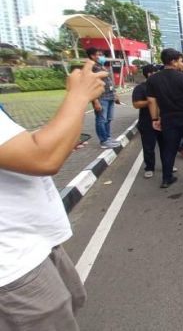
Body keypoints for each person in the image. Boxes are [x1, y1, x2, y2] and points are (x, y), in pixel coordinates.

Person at [0, 60, 106, 331]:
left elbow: (20, 149)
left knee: (72, 300)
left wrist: (58, 139)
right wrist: (78, 96)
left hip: (34, 241)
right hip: (13, 263)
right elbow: (42, 157)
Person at [146, 48, 183, 188]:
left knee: (169, 149)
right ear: (173, 61)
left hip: (168, 119)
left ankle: (166, 178)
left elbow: (152, 101)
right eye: (180, 60)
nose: (182, 63)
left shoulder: (153, 79)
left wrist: (154, 119)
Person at [132, 64, 164, 178]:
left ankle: (167, 166)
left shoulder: (161, 86)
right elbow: (136, 104)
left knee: (165, 145)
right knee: (148, 146)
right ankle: (149, 167)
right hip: (146, 122)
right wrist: (150, 102)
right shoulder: (140, 88)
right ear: (149, 74)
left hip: (163, 120)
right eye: (155, 72)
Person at [88, 47, 120, 149]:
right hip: (101, 98)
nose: (100, 56)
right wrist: (95, 101)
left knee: (108, 119)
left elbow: (109, 82)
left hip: (109, 96)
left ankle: (108, 138)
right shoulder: (91, 68)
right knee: (101, 119)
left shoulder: (101, 66)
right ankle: (104, 141)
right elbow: (90, 86)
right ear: (92, 56)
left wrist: (115, 94)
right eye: (98, 54)